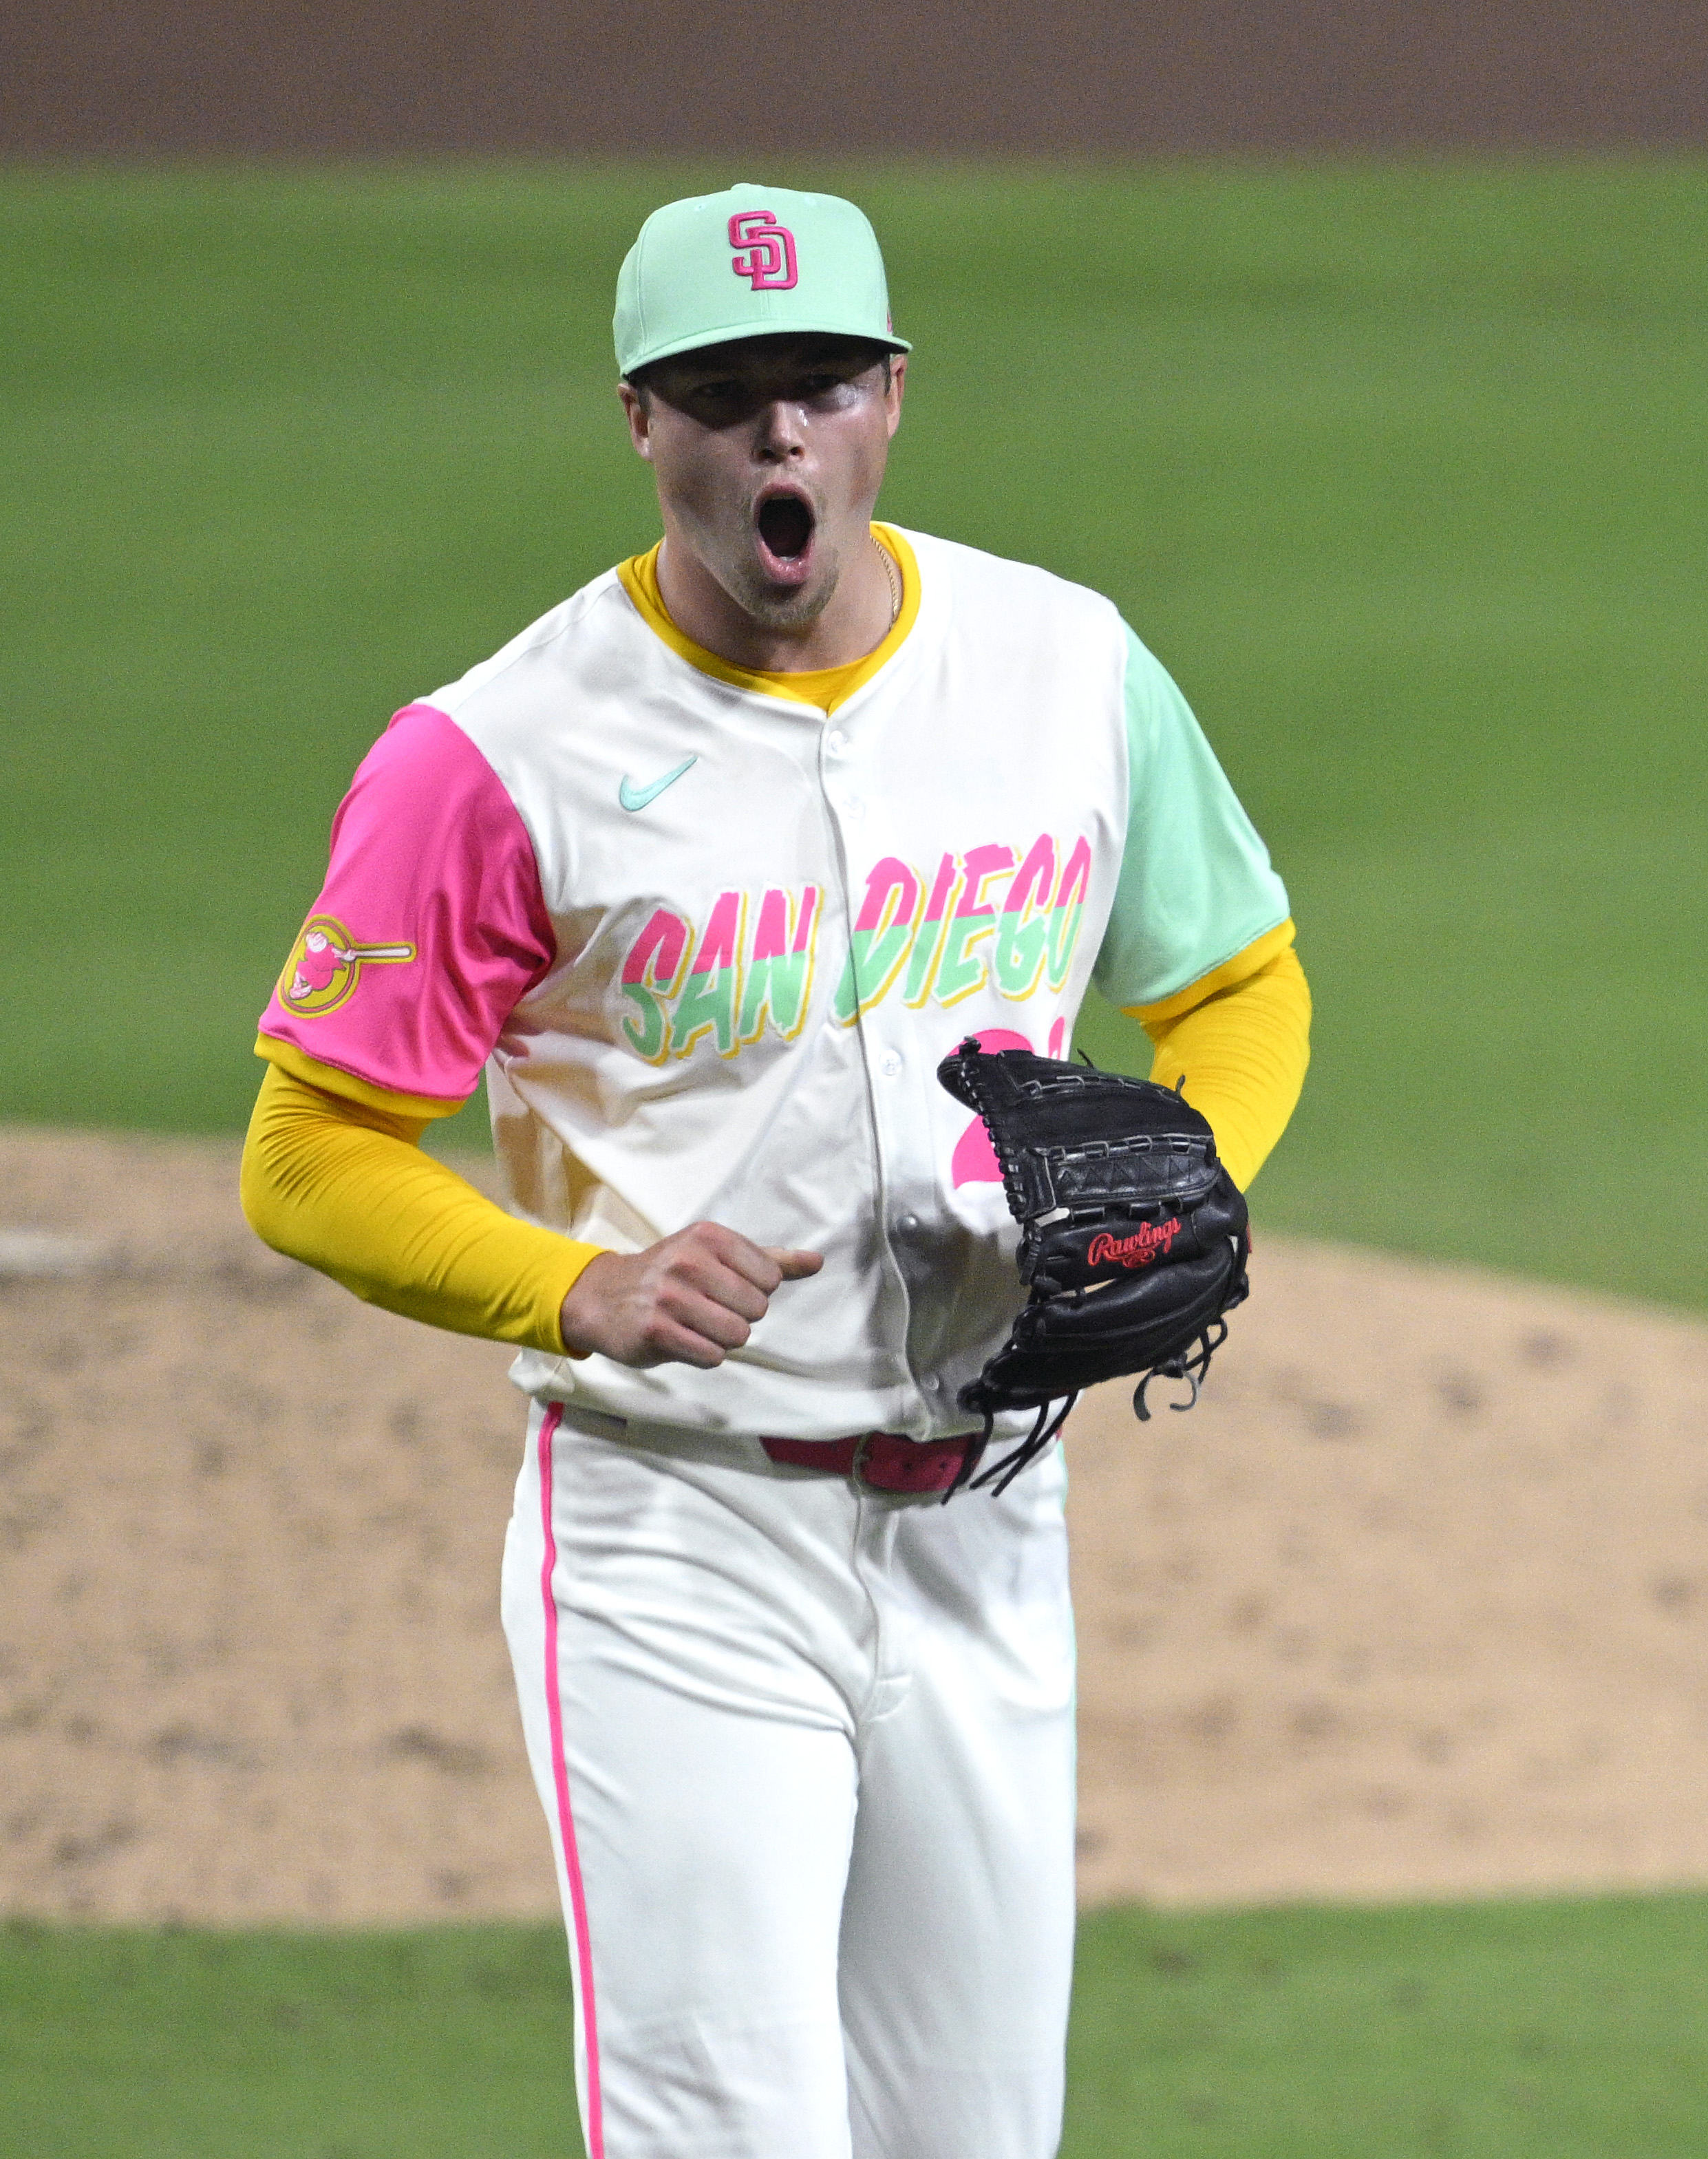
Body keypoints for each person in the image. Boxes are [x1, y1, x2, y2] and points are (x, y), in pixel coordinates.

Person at [240, 184, 1310, 2159]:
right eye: (720, 394)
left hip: (988, 1519)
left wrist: (1186, 1169)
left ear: (892, 396)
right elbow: (305, 1152)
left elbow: (1235, 980)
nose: (775, 435)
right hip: (680, 1538)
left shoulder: (1062, 666)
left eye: (815, 382)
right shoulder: (494, 754)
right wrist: (570, 1286)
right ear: (640, 422)